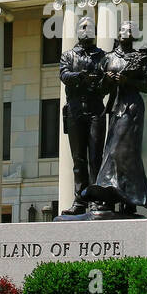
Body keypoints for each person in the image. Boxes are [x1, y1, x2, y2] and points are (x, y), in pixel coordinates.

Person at [83, 21, 147, 217]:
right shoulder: (108, 58)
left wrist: (127, 80)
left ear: (135, 34)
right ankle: (114, 195)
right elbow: (100, 90)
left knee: (128, 153)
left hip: (132, 108)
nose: (127, 31)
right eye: (124, 28)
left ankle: (129, 199)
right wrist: (107, 80)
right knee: (112, 151)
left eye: (131, 29)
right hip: (116, 108)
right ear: (119, 33)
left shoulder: (140, 57)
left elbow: (146, 87)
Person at [57, 16, 108, 217]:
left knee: (96, 157)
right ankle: (80, 200)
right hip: (75, 110)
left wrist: (99, 81)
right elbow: (64, 75)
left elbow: (106, 82)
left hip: (96, 109)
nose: (86, 30)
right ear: (77, 31)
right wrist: (81, 76)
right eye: (83, 27)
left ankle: (97, 198)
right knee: (78, 159)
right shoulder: (68, 55)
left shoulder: (102, 56)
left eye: (90, 27)